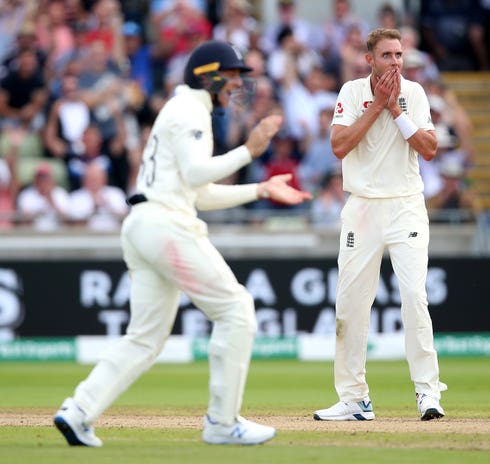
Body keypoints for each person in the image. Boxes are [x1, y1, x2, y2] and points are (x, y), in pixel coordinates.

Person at [53, 40, 312, 448]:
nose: (235, 85)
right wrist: (250, 151)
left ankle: (78, 410)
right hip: (165, 226)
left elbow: (199, 192)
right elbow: (195, 177)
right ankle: (223, 423)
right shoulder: (190, 110)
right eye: (230, 76)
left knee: (144, 338)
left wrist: (260, 189)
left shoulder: (184, 109)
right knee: (236, 310)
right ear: (206, 75)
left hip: (144, 224)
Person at [313, 28, 446, 422]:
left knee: (414, 296)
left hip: (405, 204)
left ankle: (428, 392)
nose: (395, 63)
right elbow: (339, 146)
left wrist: (396, 110)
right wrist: (376, 106)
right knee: (350, 305)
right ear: (369, 60)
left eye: (399, 55)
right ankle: (354, 399)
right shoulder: (352, 92)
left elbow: (430, 149)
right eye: (386, 55)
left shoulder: (415, 93)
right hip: (363, 207)